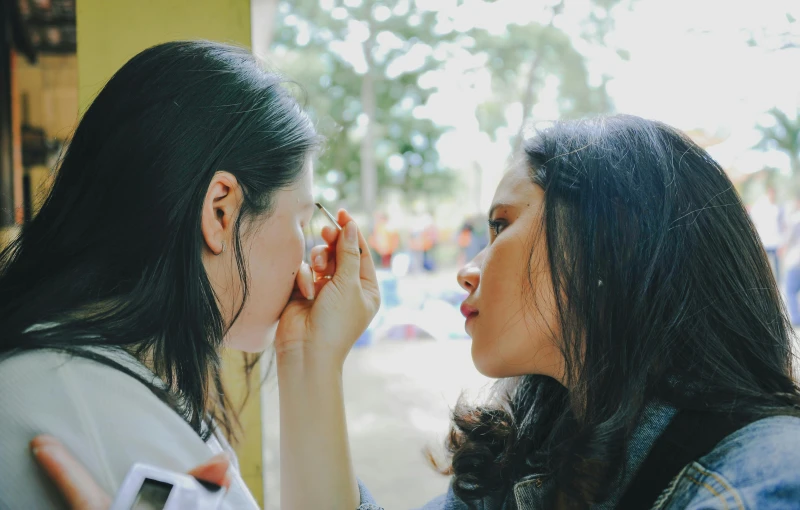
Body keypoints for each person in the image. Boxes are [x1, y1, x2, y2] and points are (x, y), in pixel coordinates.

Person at [24, 117, 800, 508]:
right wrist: (307, 356)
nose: (468, 264)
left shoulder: (761, 478)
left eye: (501, 226)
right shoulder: (534, 459)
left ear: (613, 238)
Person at [0, 40, 379, 510]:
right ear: (221, 210)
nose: (305, 255)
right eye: (301, 221)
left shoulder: (64, 371)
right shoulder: (105, 420)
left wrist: (308, 355)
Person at [783, 197, 800, 326]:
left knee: (790, 290)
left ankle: (795, 318)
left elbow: (789, 239)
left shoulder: (795, 219)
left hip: (796, 259)